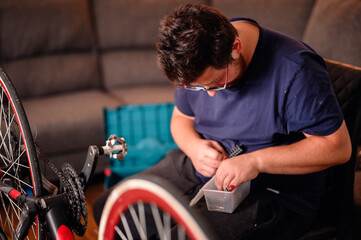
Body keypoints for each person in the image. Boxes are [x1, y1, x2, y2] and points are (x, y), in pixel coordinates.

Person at [94, 4, 351, 239]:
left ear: (235, 47)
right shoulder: (193, 60)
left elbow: (338, 147)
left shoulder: (296, 70)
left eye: (217, 83)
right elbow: (181, 119)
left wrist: (256, 161)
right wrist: (195, 149)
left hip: (273, 191)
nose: (212, 95)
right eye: (197, 89)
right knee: (110, 209)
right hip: (202, 168)